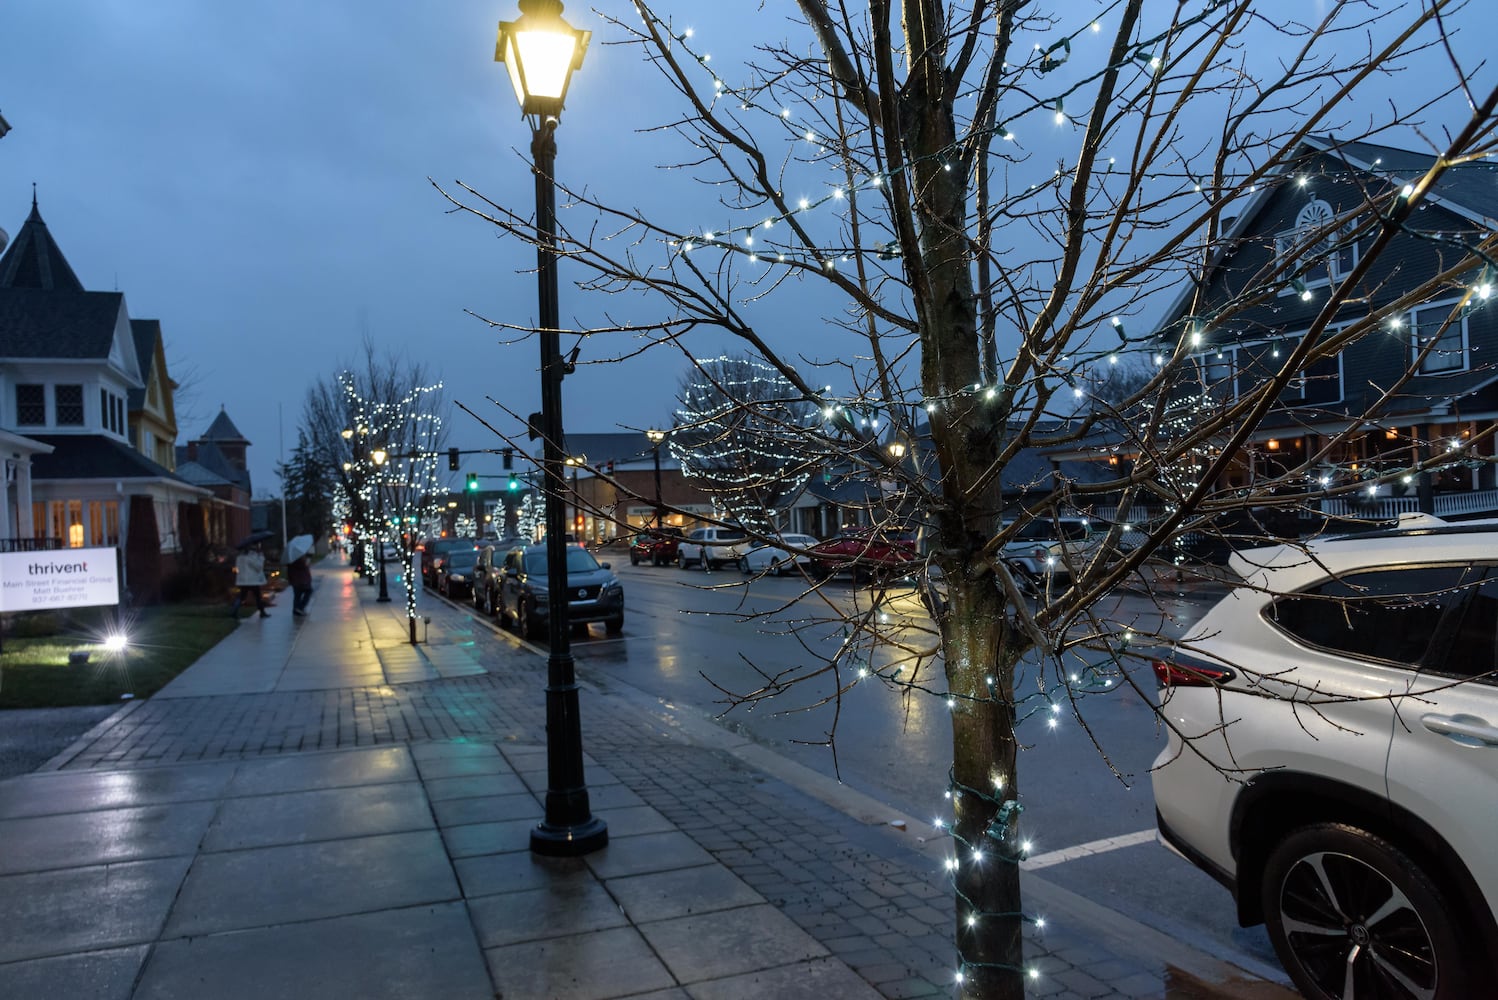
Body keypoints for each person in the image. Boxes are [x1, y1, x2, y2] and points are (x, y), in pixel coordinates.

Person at [231, 542, 270, 618]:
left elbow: (237, 569)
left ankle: (234, 610)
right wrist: (261, 557)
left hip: (243, 581)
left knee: (242, 596)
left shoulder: (239, 557)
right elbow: (259, 567)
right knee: (258, 597)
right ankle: (262, 612)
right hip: (252, 581)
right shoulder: (251, 558)